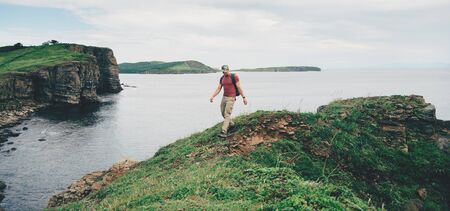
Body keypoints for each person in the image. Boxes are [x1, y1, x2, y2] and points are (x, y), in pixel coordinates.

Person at [210, 65, 248, 138]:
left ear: (228, 70)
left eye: (226, 71)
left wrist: (244, 97)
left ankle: (224, 131)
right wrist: (213, 96)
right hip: (224, 97)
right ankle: (232, 125)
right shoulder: (222, 78)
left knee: (227, 114)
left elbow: (239, 87)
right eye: (223, 71)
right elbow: (219, 88)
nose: (224, 72)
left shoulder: (234, 77)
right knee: (223, 113)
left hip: (231, 98)